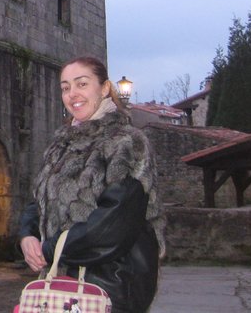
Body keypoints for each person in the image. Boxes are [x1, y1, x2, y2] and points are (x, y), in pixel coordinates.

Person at [18, 56, 165, 313]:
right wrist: (27, 235)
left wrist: (49, 249)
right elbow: (38, 200)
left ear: (105, 88)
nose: (72, 93)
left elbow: (113, 224)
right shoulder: (60, 146)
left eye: (82, 84)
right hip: (61, 285)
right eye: (65, 87)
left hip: (109, 286)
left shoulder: (127, 143)